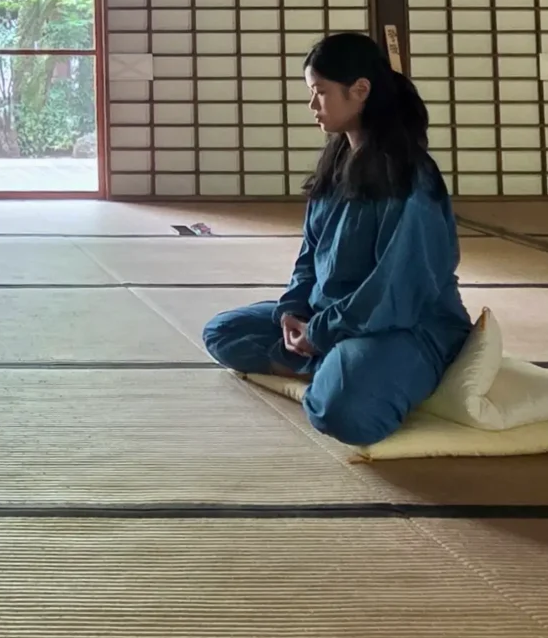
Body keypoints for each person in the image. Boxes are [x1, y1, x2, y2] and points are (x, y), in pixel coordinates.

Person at [200, 31, 471, 446]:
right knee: (222, 332)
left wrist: (321, 331)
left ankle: (345, 368)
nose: (312, 106)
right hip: (330, 319)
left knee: (346, 413)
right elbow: (311, 252)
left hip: (402, 326)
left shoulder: (407, 176)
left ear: (360, 90)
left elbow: (395, 289)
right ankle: (332, 364)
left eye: (321, 93)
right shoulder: (339, 160)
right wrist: (293, 309)